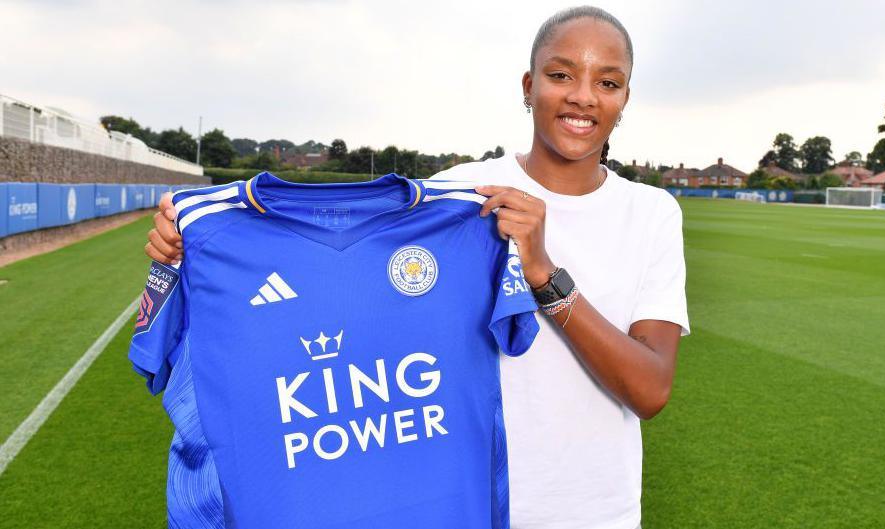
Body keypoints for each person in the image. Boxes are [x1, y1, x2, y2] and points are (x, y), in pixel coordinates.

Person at [145, 6, 689, 529]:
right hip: (458, 507)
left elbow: (649, 390)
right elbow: (336, 264)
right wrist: (190, 237)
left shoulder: (651, 213)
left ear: (625, 99)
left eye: (608, 82)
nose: (582, 97)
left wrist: (544, 274)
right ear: (529, 86)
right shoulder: (461, 194)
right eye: (561, 74)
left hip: (594, 515)